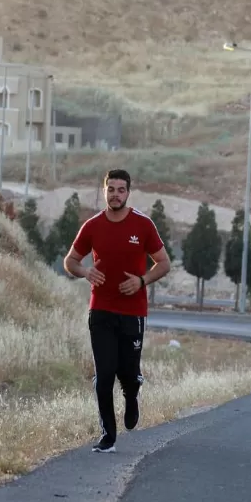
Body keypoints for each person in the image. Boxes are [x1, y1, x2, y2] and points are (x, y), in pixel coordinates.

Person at [63, 169, 172, 453]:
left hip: (133, 311)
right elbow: (70, 261)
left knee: (128, 372)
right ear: (104, 192)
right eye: (110, 189)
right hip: (101, 309)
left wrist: (141, 281)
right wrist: (85, 272)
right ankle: (108, 437)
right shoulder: (93, 226)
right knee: (104, 374)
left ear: (128, 192)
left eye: (120, 189)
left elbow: (163, 263)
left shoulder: (143, 225)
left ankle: (132, 393)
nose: (115, 194)